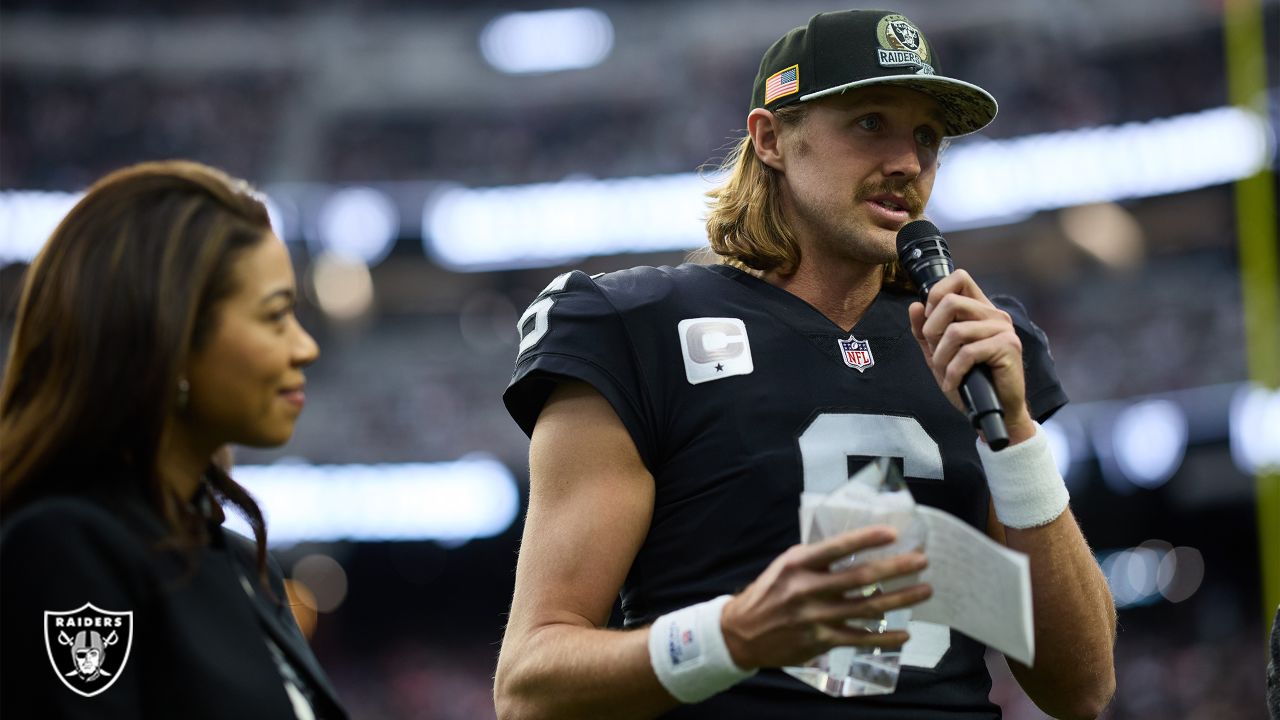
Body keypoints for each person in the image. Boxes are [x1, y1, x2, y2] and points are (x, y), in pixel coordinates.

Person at [495, 9, 1116, 720]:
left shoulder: (972, 341)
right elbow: (530, 684)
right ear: (770, 139)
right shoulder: (636, 327)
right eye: (869, 123)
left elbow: (1083, 688)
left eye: (926, 138)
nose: (908, 163)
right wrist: (731, 637)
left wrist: (1015, 434)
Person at [0, 160, 347, 719]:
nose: (305, 347)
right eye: (276, 316)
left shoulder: (237, 560)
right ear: (173, 334)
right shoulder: (64, 549)